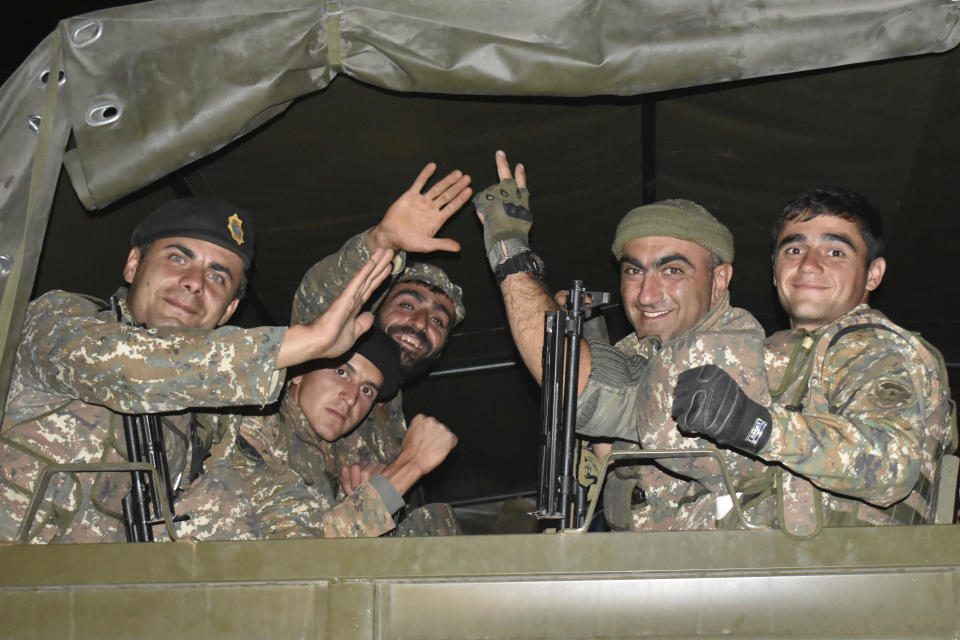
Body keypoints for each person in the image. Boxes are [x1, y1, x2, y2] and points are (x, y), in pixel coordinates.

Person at [0, 197, 393, 543]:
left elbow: (273, 505)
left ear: (228, 311)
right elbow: (131, 367)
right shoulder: (55, 320)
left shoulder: (215, 423)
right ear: (134, 263)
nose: (193, 283)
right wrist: (304, 342)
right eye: (178, 258)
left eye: (217, 276)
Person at [473, 150, 770, 531]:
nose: (647, 295)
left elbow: (587, 394)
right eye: (634, 270)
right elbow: (613, 449)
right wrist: (588, 337)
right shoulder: (642, 349)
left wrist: (510, 252)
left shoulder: (730, 348)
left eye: (673, 270)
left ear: (719, 280)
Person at [672, 187, 956, 534]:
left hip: (855, 575)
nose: (809, 265)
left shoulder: (875, 346)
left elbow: (891, 466)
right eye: (794, 249)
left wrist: (755, 426)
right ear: (775, 270)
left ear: (873, 274)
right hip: (772, 571)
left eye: (835, 251)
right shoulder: (772, 358)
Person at [290, 163, 471, 533]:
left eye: (438, 321)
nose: (420, 324)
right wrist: (381, 242)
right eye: (408, 304)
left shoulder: (395, 427)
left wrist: (385, 479)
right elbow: (323, 299)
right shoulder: (320, 353)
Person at [175, 326, 458, 539]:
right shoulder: (252, 425)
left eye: (367, 390)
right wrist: (407, 468)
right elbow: (301, 562)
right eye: (342, 373)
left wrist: (364, 495)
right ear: (298, 372)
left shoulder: (333, 460)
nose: (350, 397)